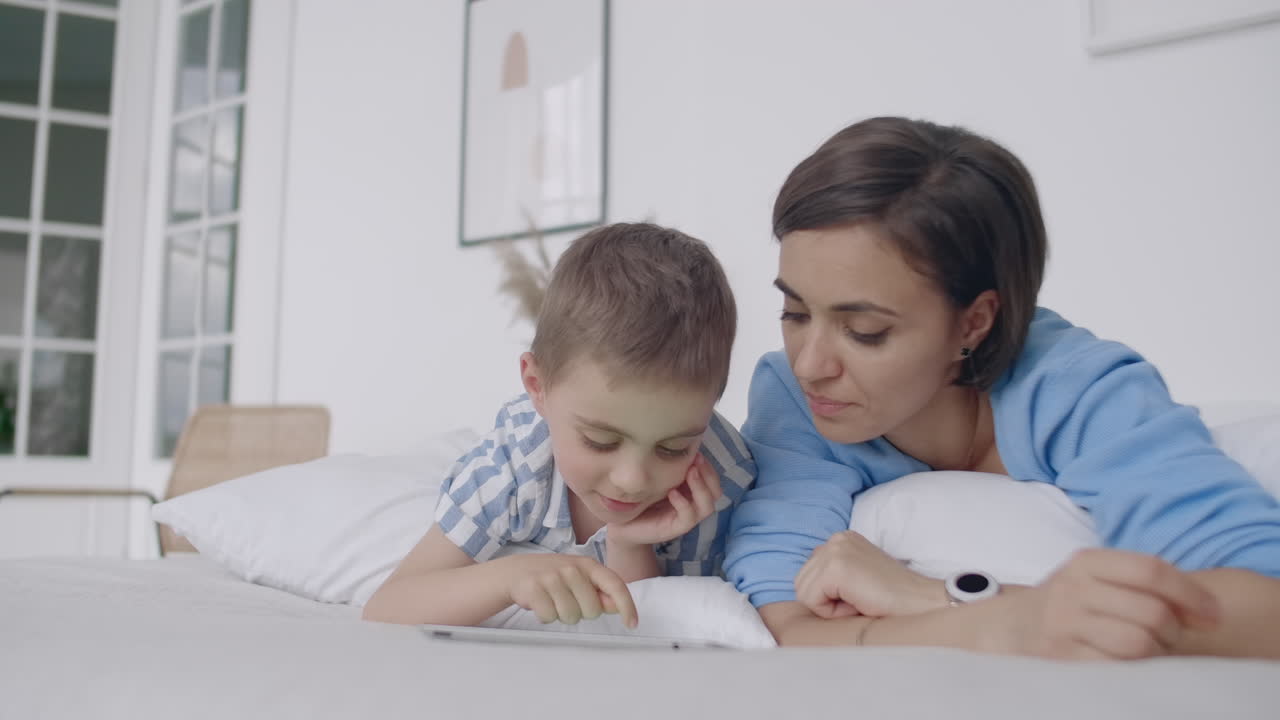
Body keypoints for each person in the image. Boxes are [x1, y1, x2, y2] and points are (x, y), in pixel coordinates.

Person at [723, 116, 1280, 660]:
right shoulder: (793, 399)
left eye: (864, 331)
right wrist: (991, 623)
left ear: (974, 322)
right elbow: (785, 624)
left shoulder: (1080, 392)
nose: (811, 365)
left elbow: (1264, 605)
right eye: (794, 312)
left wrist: (950, 601)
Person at [364, 223, 756, 627]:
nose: (632, 480)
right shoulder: (516, 459)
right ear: (537, 386)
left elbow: (654, 632)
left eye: (673, 448)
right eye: (600, 441)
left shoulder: (720, 480)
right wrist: (511, 576)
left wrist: (629, 543)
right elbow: (387, 608)